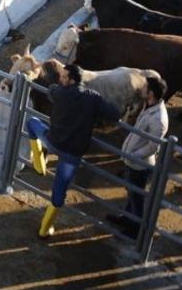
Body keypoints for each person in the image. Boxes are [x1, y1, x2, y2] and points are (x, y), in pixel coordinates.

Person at [26, 63, 120, 238]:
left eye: (63, 77)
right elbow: (115, 114)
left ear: (71, 80)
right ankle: (44, 230)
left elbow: (52, 90)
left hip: (52, 141)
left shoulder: (59, 92)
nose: (60, 79)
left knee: (31, 122)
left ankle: (39, 165)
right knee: (59, 194)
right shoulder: (93, 98)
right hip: (72, 154)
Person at [110, 76, 167, 236]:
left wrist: (133, 155)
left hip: (140, 164)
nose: (141, 89)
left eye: (145, 88)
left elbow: (152, 146)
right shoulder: (148, 106)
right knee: (131, 191)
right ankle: (127, 219)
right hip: (132, 160)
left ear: (151, 93)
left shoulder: (159, 119)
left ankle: (136, 229)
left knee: (136, 197)